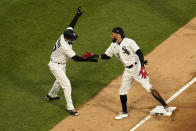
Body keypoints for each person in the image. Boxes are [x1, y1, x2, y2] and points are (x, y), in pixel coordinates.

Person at [86, 27, 169, 120]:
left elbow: (139, 53)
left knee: (149, 88)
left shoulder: (129, 42)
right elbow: (106, 56)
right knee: (122, 92)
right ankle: (124, 112)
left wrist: (142, 67)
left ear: (117, 34)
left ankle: (165, 106)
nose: (111, 35)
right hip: (127, 71)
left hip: (137, 68)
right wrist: (94, 55)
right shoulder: (113, 45)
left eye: (112, 33)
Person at [45, 7, 97, 116]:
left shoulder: (65, 34)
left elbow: (71, 26)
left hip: (61, 64)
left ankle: (51, 95)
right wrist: (88, 60)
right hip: (55, 65)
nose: (74, 39)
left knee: (59, 80)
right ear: (68, 39)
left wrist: (77, 15)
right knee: (67, 84)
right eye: (73, 38)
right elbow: (76, 59)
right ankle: (70, 108)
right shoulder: (64, 46)